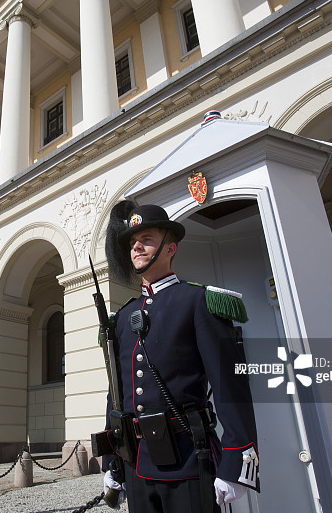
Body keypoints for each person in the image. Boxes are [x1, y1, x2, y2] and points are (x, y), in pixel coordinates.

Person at [101, 202, 259, 512]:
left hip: (189, 459)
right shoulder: (122, 318)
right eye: (132, 243)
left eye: (146, 239)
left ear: (170, 247)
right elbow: (116, 396)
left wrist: (237, 464)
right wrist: (112, 461)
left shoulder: (197, 301)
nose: (136, 248)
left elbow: (231, 389)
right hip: (136, 463)